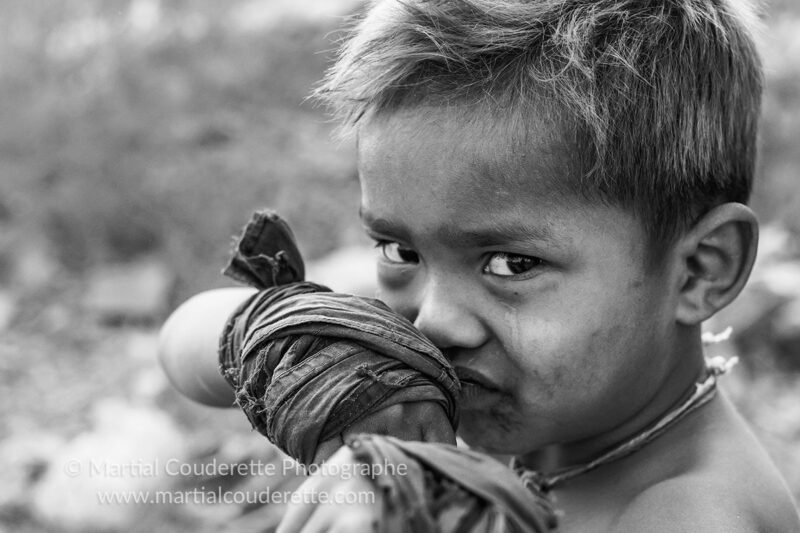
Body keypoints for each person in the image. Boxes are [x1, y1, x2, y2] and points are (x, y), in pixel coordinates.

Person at [159, 0, 800, 531]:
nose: (436, 321)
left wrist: (423, 505)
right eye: (400, 251)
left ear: (700, 271)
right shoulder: (555, 412)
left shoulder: (692, 514)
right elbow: (183, 345)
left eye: (513, 263)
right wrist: (307, 351)